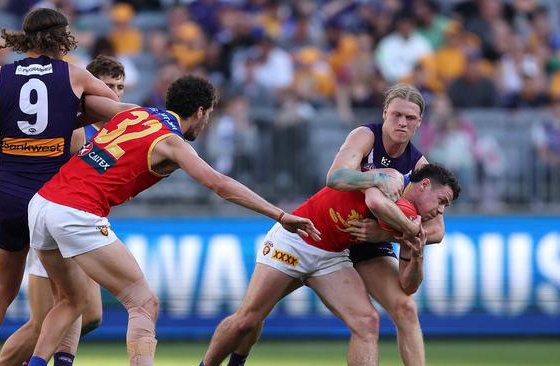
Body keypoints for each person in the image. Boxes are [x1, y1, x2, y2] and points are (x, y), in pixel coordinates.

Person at [23, 75, 320, 366]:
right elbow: (218, 183)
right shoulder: (172, 143)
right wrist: (280, 215)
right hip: (76, 211)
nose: (207, 124)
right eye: (209, 115)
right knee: (142, 302)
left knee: (69, 301)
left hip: (42, 204)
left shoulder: (134, 112)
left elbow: (83, 104)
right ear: (201, 112)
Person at [223, 83, 445, 366]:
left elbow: (438, 229)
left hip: (367, 242)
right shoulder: (366, 136)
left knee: (404, 308)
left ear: (419, 122)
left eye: (410, 118)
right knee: (251, 315)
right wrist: (377, 178)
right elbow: (336, 176)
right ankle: (236, 360)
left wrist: (385, 232)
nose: (402, 122)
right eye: (397, 115)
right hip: (325, 233)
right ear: (385, 112)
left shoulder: (418, 166)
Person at [0, 8, 117, 366]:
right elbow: (113, 109)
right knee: (73, 301)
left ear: (25, 38)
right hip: (53, 202)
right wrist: (67, 122)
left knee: (2, 288)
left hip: (9, 194)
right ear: (64, 38)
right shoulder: (74, 75)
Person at [200, 164, 461, 366]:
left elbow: (408, 285)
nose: (440, 211)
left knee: (367, 321)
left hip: (331, 256)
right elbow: (374, 201)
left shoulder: (410, 218)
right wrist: (407, 231)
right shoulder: (391, 178)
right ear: (424, 184)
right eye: (442, 202)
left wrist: (416, 253)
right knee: (248, 319)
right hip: (296, 240)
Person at [0, 55, 126, 366]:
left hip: (81, 227)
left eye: (120, 87)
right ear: (90, 88)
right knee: (46, 321)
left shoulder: (112, 131)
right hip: (58, 227)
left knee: (89, 314)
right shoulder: (76, 128)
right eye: (108, 86)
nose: (115, 94)